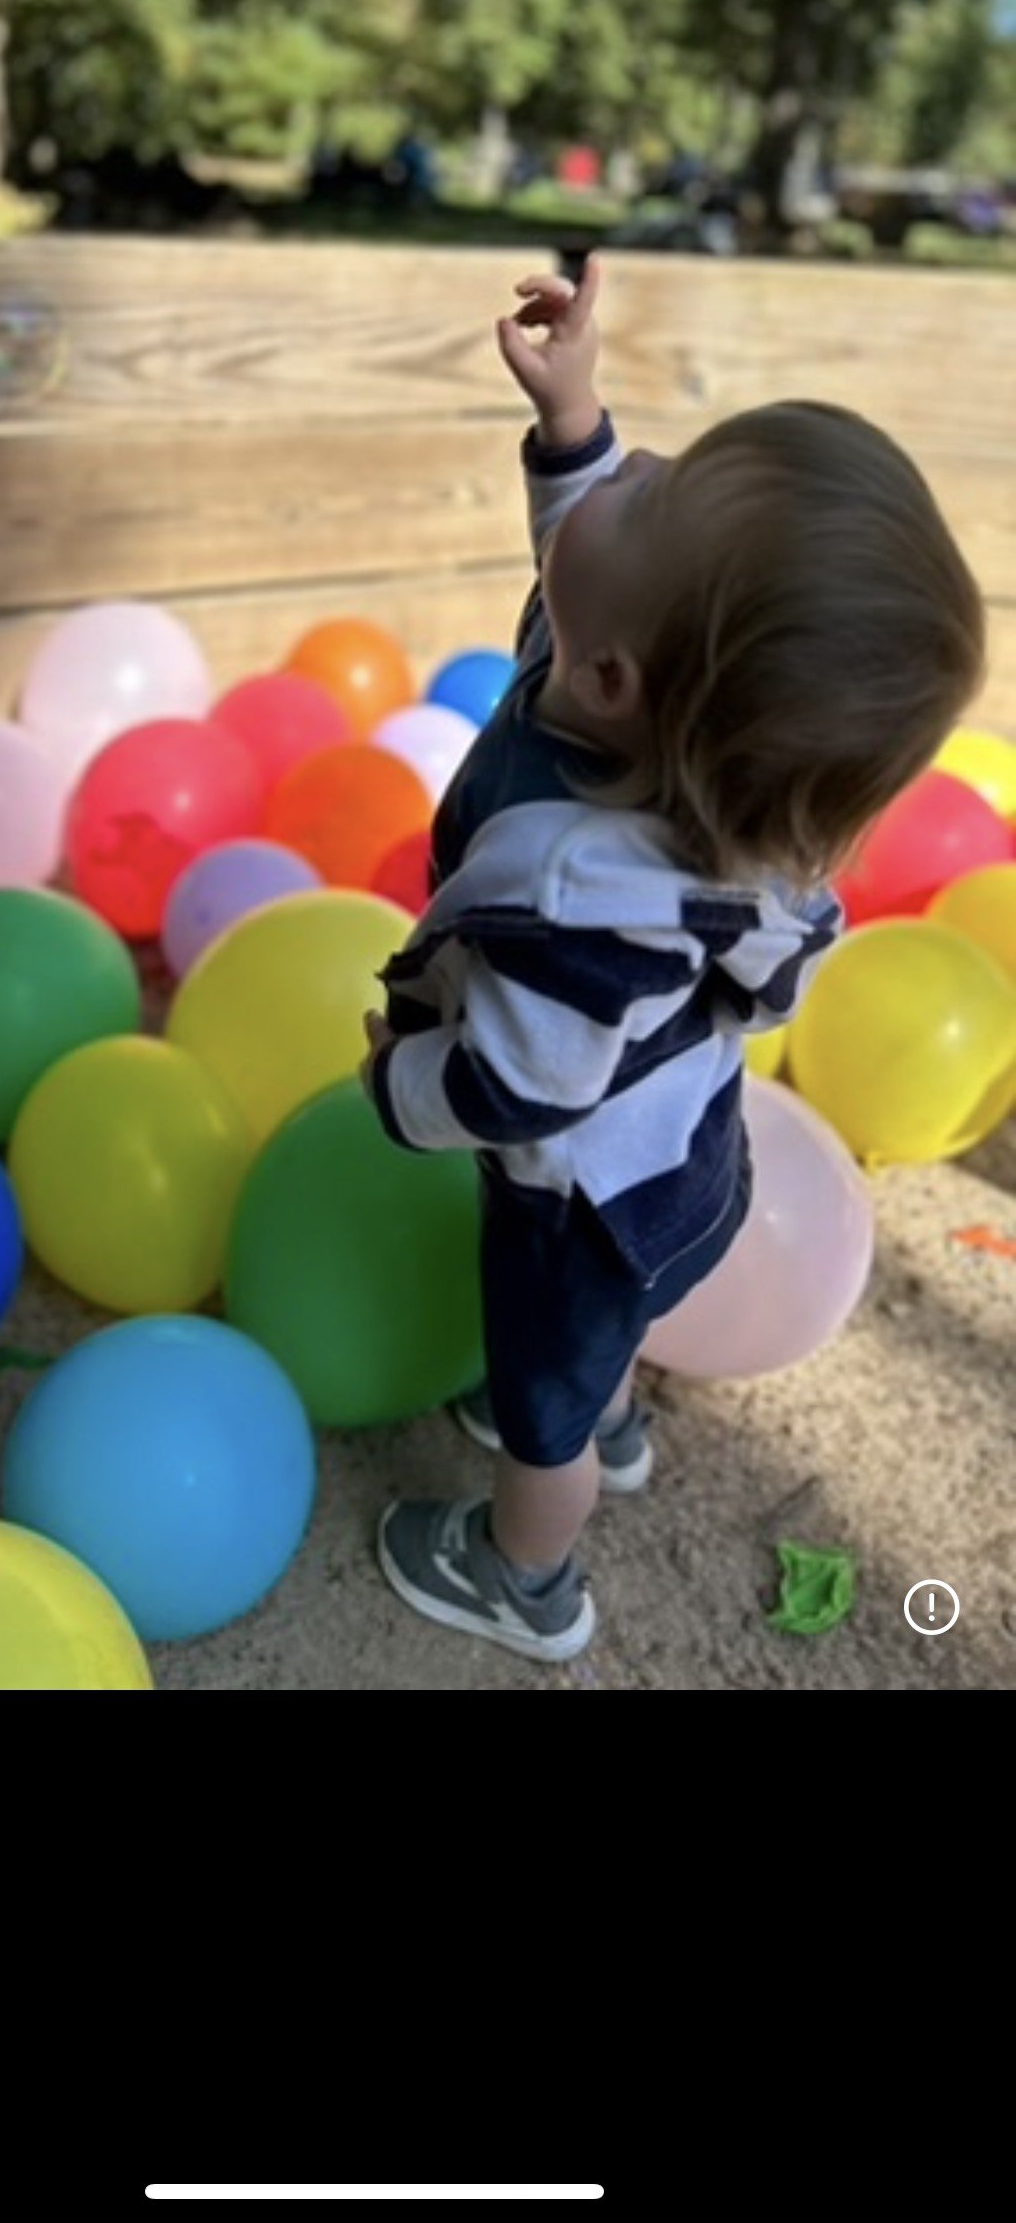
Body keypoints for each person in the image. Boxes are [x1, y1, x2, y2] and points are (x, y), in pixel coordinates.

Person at [360, 260, 987, 1663]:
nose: (624, 468)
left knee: (541, 1410)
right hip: (681, 1157)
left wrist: (398, 1083)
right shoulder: (657, 710)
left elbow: (518, 1086)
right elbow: (594, 554)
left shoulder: (584, 910)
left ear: (611, 680)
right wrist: (573, 412)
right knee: (607, 1337)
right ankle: (617, 1409)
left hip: (580, 1205)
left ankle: (533, 1572)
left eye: (644, 482)